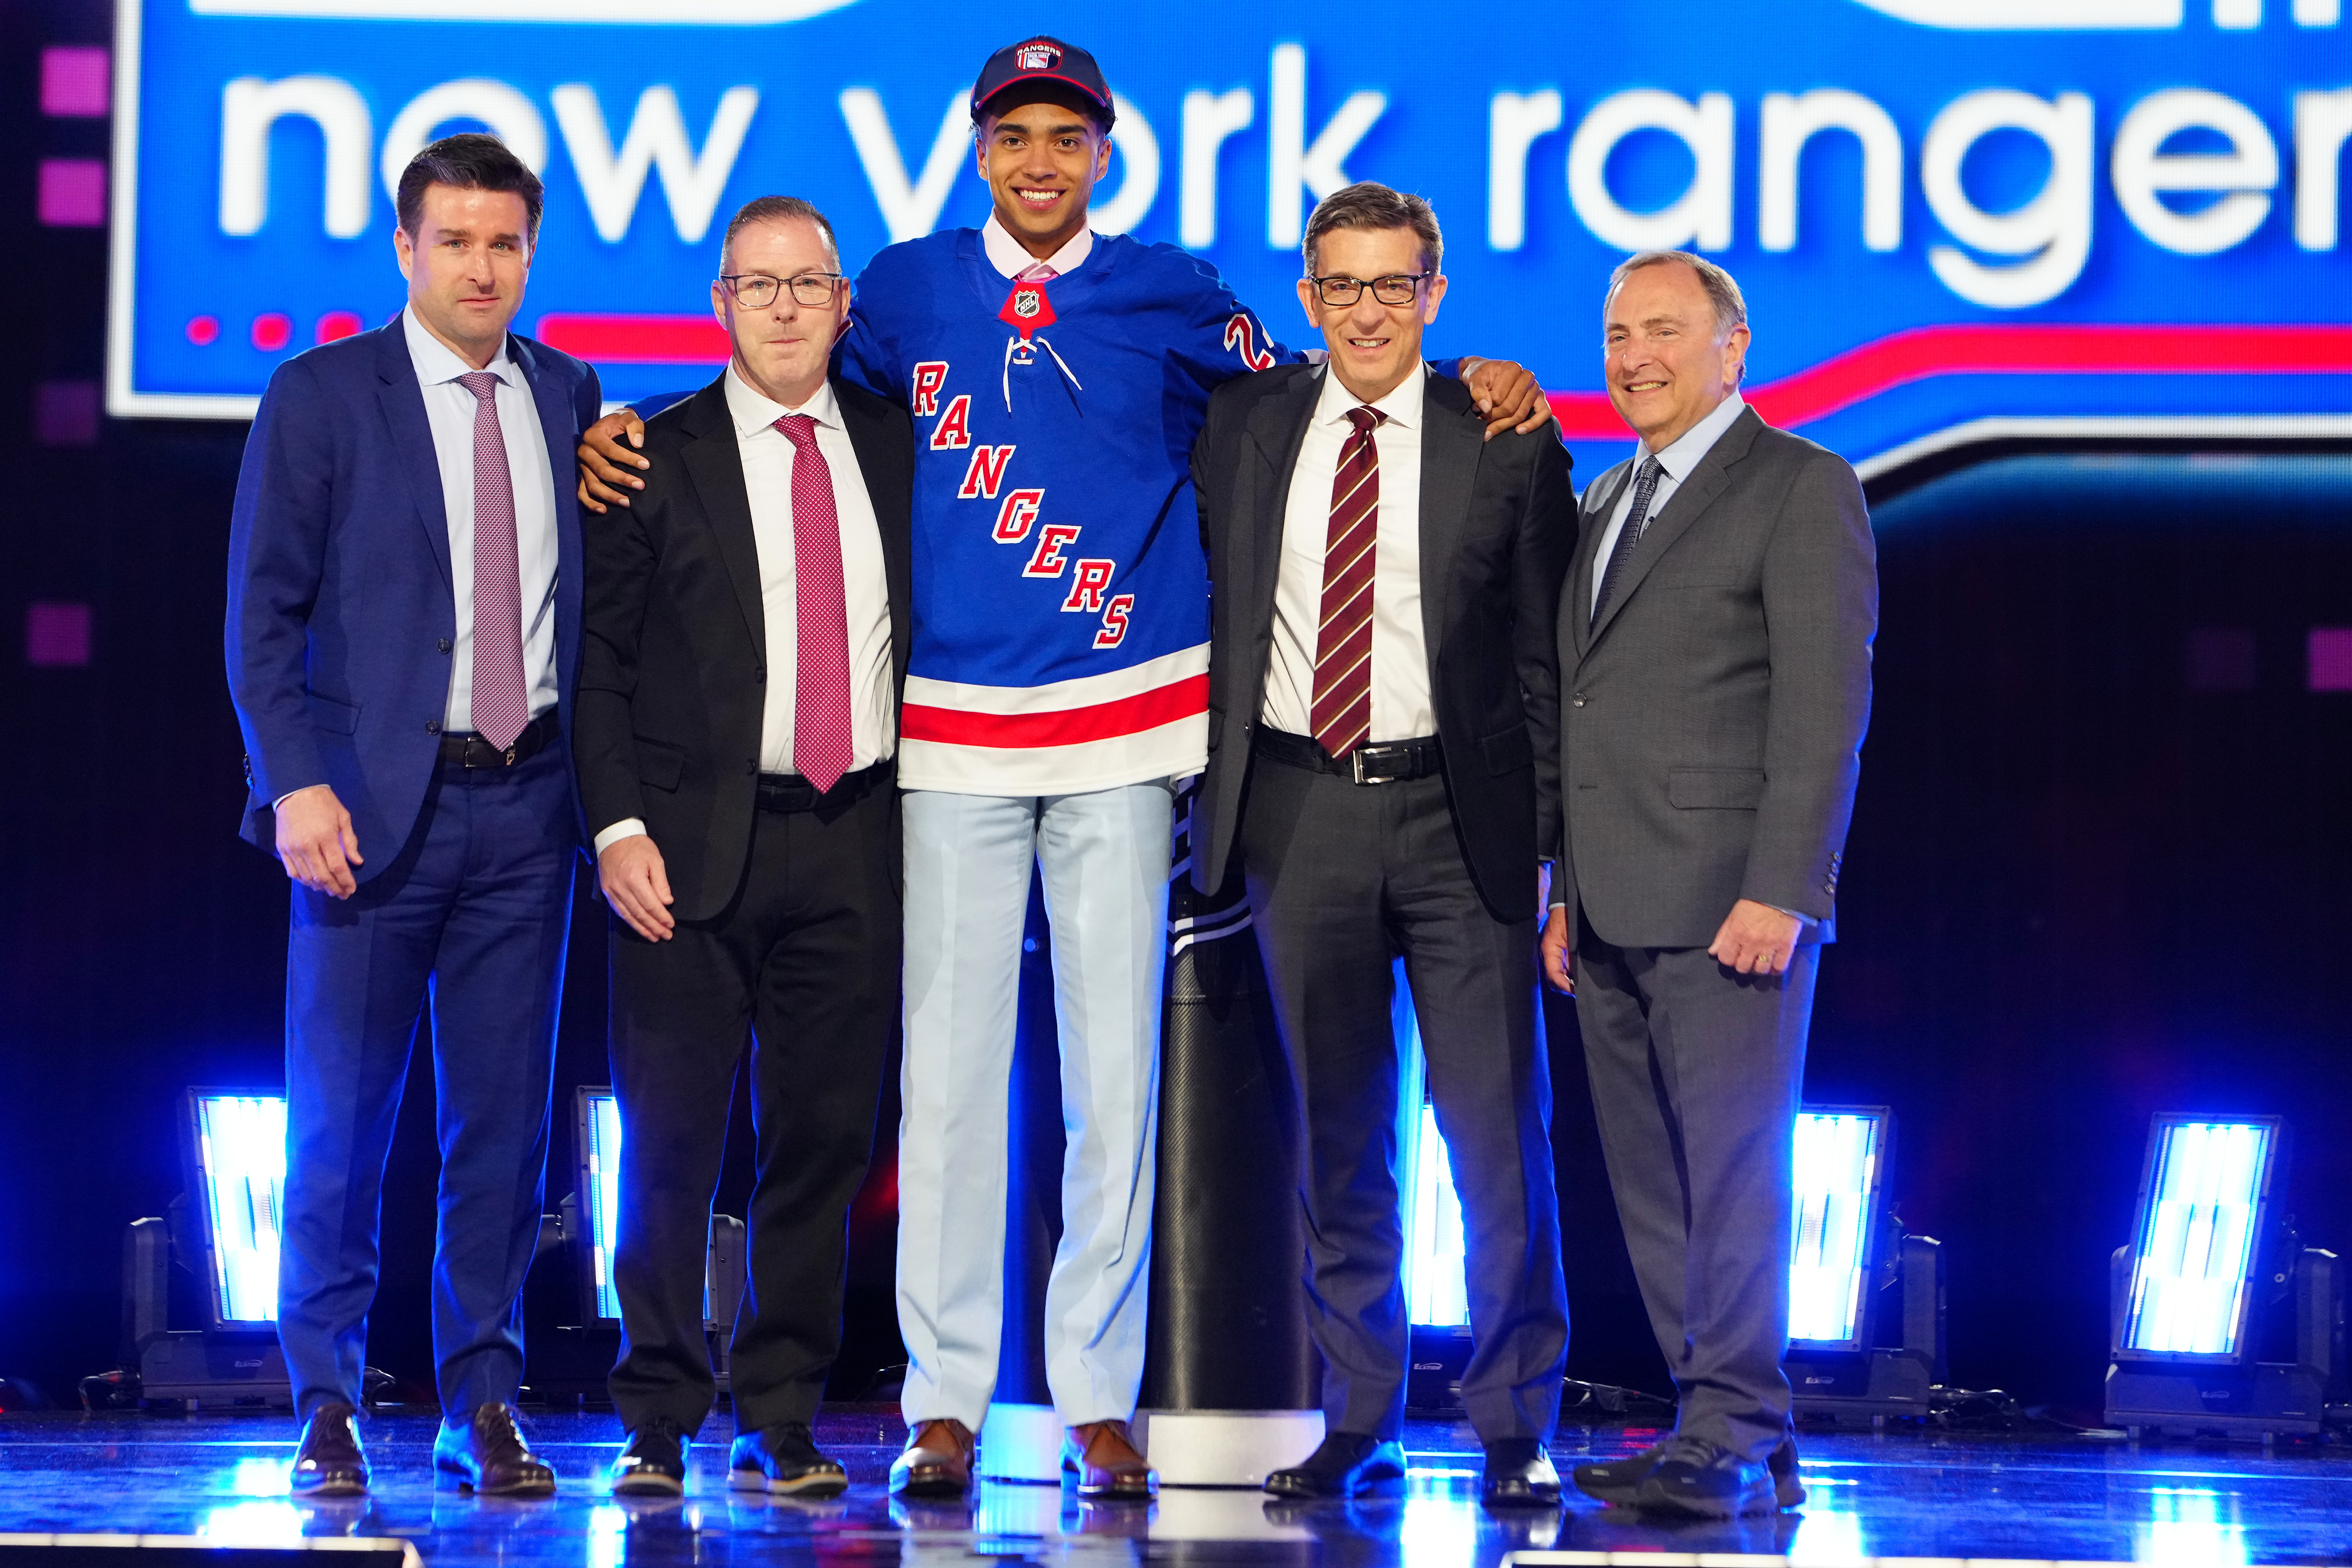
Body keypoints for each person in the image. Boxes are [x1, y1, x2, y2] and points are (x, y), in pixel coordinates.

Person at [575, 37, 1553, 1502]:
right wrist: (631, 425)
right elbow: (771, 388)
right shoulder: (898, 288)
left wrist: (1481, 374)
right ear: (979, 149)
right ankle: (946, 1398)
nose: (1041, 160)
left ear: (1104, 153)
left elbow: (1325, 388)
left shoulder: (1172, 290)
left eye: (1067, 137)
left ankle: (1100, 1395)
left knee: (1113, 1079)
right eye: (1015, 135)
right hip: (955, 733)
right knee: (951, 1085)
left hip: (1126, 728)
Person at [225, 132, 599, 1498]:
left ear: (530, 251)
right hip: (365, 818)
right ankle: (325, 1397)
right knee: (340, 1122)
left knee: (500, 1130)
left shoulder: (566, 390)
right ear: (407, 248)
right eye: (455, 241)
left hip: (528, 811)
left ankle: (480, 1398)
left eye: (504, 242)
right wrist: (293, 783)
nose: (482, 265)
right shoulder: (322, 395)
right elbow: (259, 620)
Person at [1187, 183, 1573, 1508]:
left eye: (1391, 284)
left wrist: (1555, 851)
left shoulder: (1507, 435)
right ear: (1308, 300)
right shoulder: (1243, 426)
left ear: (1434, 294)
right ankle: (1360, 1413)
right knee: (1341, 1139)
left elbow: (1544, 663)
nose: (1366, 309)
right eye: (1340, 285)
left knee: (1493, 1136)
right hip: (1301, 809)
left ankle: (1514, 1420)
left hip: (1463, 818)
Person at [576, 196, 913, 1498]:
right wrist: (615, 829)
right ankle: (657, 1412)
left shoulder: (898, 447)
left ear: (842, 306)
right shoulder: (646, 454)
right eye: (757, 284)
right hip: (683, 851)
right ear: (721, 303)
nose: (783, 305)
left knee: (820, 1147)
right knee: (667, 1143)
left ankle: (782, 1410)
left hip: (854, 840)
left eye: (808, 284)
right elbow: (596, 665)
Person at [1537, 251, 1877, 1520]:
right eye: (1619, 330)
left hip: (1732, 902)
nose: (1635, 355)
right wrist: (1563, 887)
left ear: (1734, 346)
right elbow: (1588, 707)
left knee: (1733, 1172)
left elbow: (1824, 708)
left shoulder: (1801, 486)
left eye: (1664, 330)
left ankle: (1732, 1418)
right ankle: (1725, 1420)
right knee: (1653, 1182)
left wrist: (1785, 886)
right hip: (1611, 900)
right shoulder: (1609, 494)